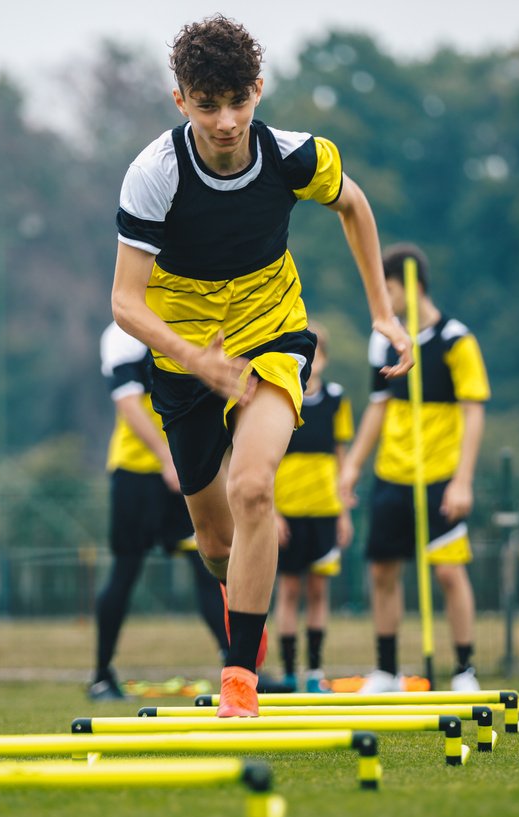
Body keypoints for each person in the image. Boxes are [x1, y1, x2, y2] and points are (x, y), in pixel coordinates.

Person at [110, 14, 412, 717]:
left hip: (274, 338)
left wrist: (382, 312)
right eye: (208, 104)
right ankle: (245, 599)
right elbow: (125, 303)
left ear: (259, 89)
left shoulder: (294, 156)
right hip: (185, 363)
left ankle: (239, 681)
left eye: (239, 101)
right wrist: (194, 359)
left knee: (253, 489)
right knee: (216, 542)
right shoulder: (154, 175)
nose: (225, 120)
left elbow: (355, 204)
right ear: (180, 99)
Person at [338, 243, 490, 693]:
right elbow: (377, 407)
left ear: (411, 286)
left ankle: (464, 669)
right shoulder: (383, 339)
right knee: (383, 570)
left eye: (386, 289)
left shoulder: (456, 340)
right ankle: (387, 670)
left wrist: (463, 481)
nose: (381, 300)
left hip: (441, 475)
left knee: (447, 571)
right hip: (392, 474)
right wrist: (351, 468)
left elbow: (474, 411)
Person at [91, 321, 231, 700]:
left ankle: (236, 669)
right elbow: (128, 405)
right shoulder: (122, 333)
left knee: (211, 567)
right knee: (126, 569)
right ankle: (102, 676)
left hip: (186, 470)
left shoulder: (190, 321)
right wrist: (166, 458)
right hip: (137, 473)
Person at [271, 322, 353, 693]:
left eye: (319, 353)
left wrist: (344, 512)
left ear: (326, 358)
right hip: (286, 513)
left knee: (319, 592)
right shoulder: (282, 397)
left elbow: (342, 458)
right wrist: (272, 512)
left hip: (325, 510)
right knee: (288, 591)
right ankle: (289, 672)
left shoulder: (337, 400)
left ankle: (316, 672)